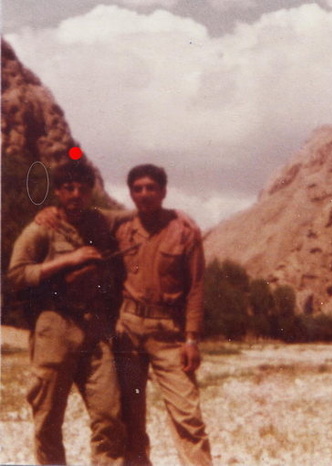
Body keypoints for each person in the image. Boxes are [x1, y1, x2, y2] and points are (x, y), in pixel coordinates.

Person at [7, 161, 126, 465]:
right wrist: (68, 260)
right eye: (69, 188)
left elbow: (133, 216)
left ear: (90, 192)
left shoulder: (98, 222)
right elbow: (16, 275)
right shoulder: (41, 229)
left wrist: (174, 214)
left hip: (95, 328)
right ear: (58, 192)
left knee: (109, 414)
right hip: (55, 326)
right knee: (48, 417)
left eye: (83, 189)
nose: (76, 194)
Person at [114, 164, 212, 466]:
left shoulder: (184, 231)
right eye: (138, 189)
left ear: (163, 192)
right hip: (128, 329)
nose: (144, 194)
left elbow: (196, 288)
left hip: (169, 331)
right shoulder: (121, 229)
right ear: (131, 194)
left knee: (187, 416)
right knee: (129, 413)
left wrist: (191, 339)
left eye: (151, 188)